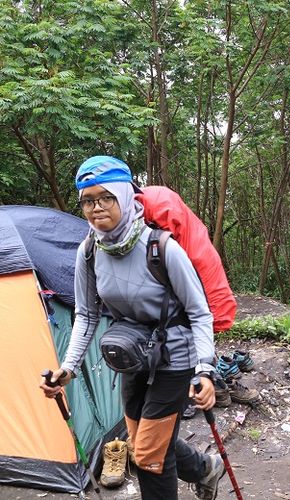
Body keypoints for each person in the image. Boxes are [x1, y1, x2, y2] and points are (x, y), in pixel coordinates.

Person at [39, 156, 225, 500]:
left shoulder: (161, 248)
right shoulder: (89, 251)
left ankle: (197, 470)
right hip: (131, 356)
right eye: (87, 200)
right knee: (142, 441)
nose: (96, 207)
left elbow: (200, 314)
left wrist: (206, 370)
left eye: (105, 197)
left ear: (125, 195)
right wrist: (69, 368)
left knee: (149, 457)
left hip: (175, 356)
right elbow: (87, 315)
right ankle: (204, 468)